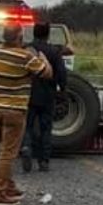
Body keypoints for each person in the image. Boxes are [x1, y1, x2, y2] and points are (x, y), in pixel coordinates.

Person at [0, 23, 52, 205]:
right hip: (14, 109)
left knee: (4, 150)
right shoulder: (25, 57)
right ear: (19, 37)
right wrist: (42, 58)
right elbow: (46, 73)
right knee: (8, 153)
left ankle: (8, 186)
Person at [21, 22, 67, 173]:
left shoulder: (26, 50)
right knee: (45, 128)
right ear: (48, 34)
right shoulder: (54, 51)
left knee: (26, 126)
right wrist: (62, 89)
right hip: (48, 96)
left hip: (28, 94)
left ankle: (26, 147)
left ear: (34, 33)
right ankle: (44, 161)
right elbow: (61, 73)